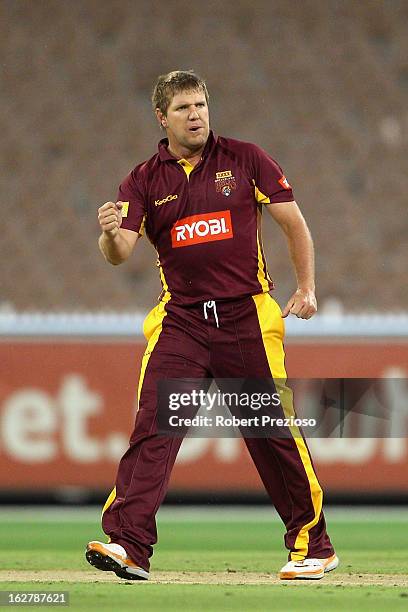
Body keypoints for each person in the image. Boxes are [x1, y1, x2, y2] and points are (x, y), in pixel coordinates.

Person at [86, 70, 338, 581]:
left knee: (271, 433)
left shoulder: (245, 159)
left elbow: (294, 222)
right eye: (183, 108)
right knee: (154, 427)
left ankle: (314, 546)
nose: (196, 114)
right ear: (162, 117)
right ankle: (129, 545)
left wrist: (306, 288)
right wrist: (110, 234)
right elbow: (119, 254)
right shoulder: (143, 180)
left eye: (200, 104)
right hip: (180, 321)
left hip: (246, 317)